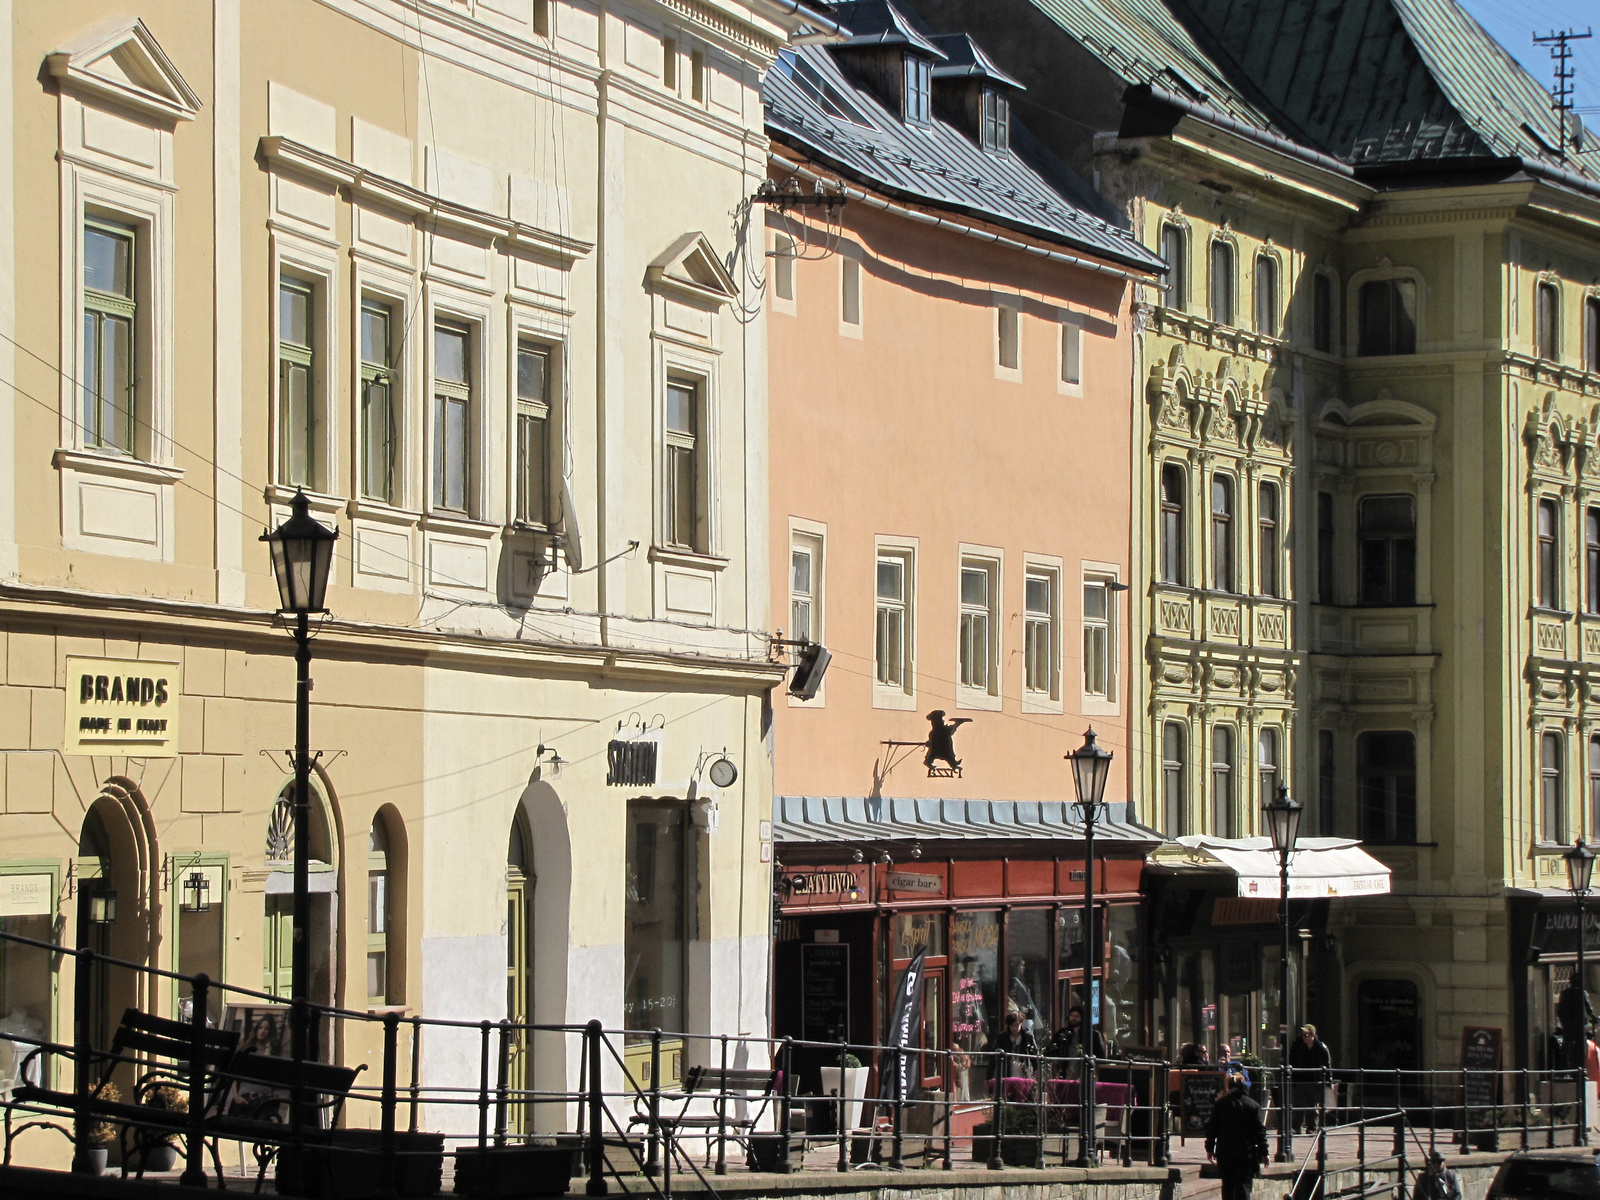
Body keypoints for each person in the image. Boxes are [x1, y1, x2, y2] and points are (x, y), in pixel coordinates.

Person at [1205, 1067, 1268, 1200]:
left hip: (1225, 1151)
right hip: (1246, 1152)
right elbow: (1259, 1131)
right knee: (1243, 1186)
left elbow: (1212, 1128)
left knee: (1227, 1185)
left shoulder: (1221, 1104)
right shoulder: (1253, 1105)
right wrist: (1264, 1152)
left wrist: (1210, 1148)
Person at [1288, 1023, 1332, 1133]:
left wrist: (1328, 1080)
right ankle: (1296, 1127)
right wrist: (1293, 1077)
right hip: (1300, 1079)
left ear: (1313, 1035)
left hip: (1315, 1080)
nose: (1303, 1037)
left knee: (1313, 1105)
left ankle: (1311, 1127)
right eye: (1302, 1035)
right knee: (1299, 1104)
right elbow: (1292, 1060)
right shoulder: (1297, 1045)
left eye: (1306, 1035)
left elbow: (1327, 1064)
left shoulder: (1321, 1047)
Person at [1557, 979, 1596, 1069]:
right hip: (1577, 1025)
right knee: (1579, 1046)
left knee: (1567, 1044)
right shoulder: (1582, 993)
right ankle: (1579, 1067)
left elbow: (1560, 1010)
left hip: (1569, 1024)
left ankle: (1565, 1067)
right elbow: (1589, 1008)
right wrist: (1593, 1017)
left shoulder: (1565, 993)